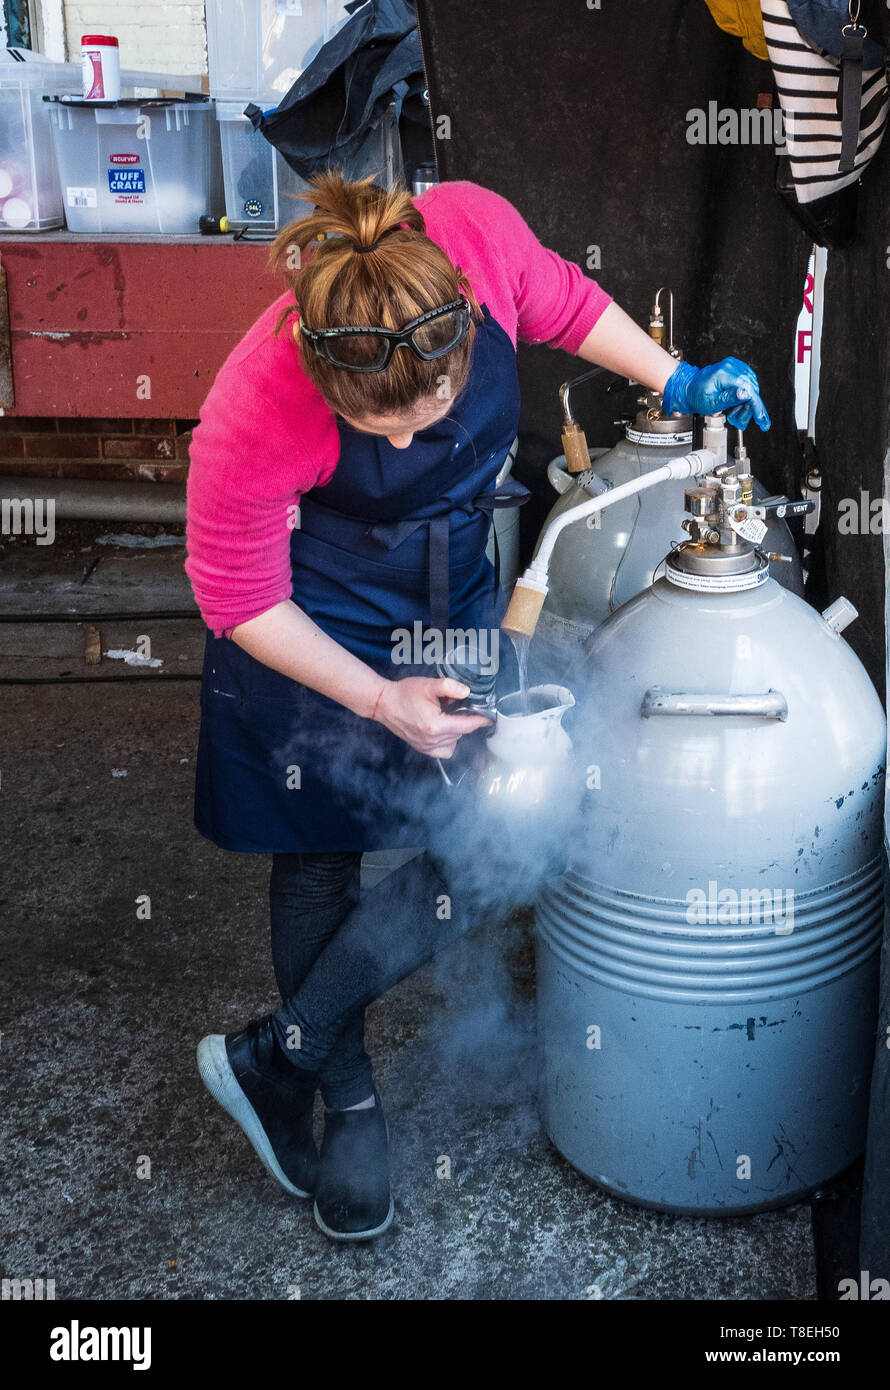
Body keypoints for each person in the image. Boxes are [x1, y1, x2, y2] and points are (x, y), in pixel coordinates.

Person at [185, 172, 770, 1241]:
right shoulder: (254, 402)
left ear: (461, 346)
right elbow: (236, 596)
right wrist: (373, 697)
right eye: (374, 426)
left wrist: (678, 380)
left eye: (429, 414)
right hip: (308, 619)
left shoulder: (477, 237)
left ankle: (285, 1053)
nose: (402, 446)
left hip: (441, 596)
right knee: (319, 850)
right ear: (319, 374)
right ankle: (348, 1104)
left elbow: (564, 302)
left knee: (504, 825)